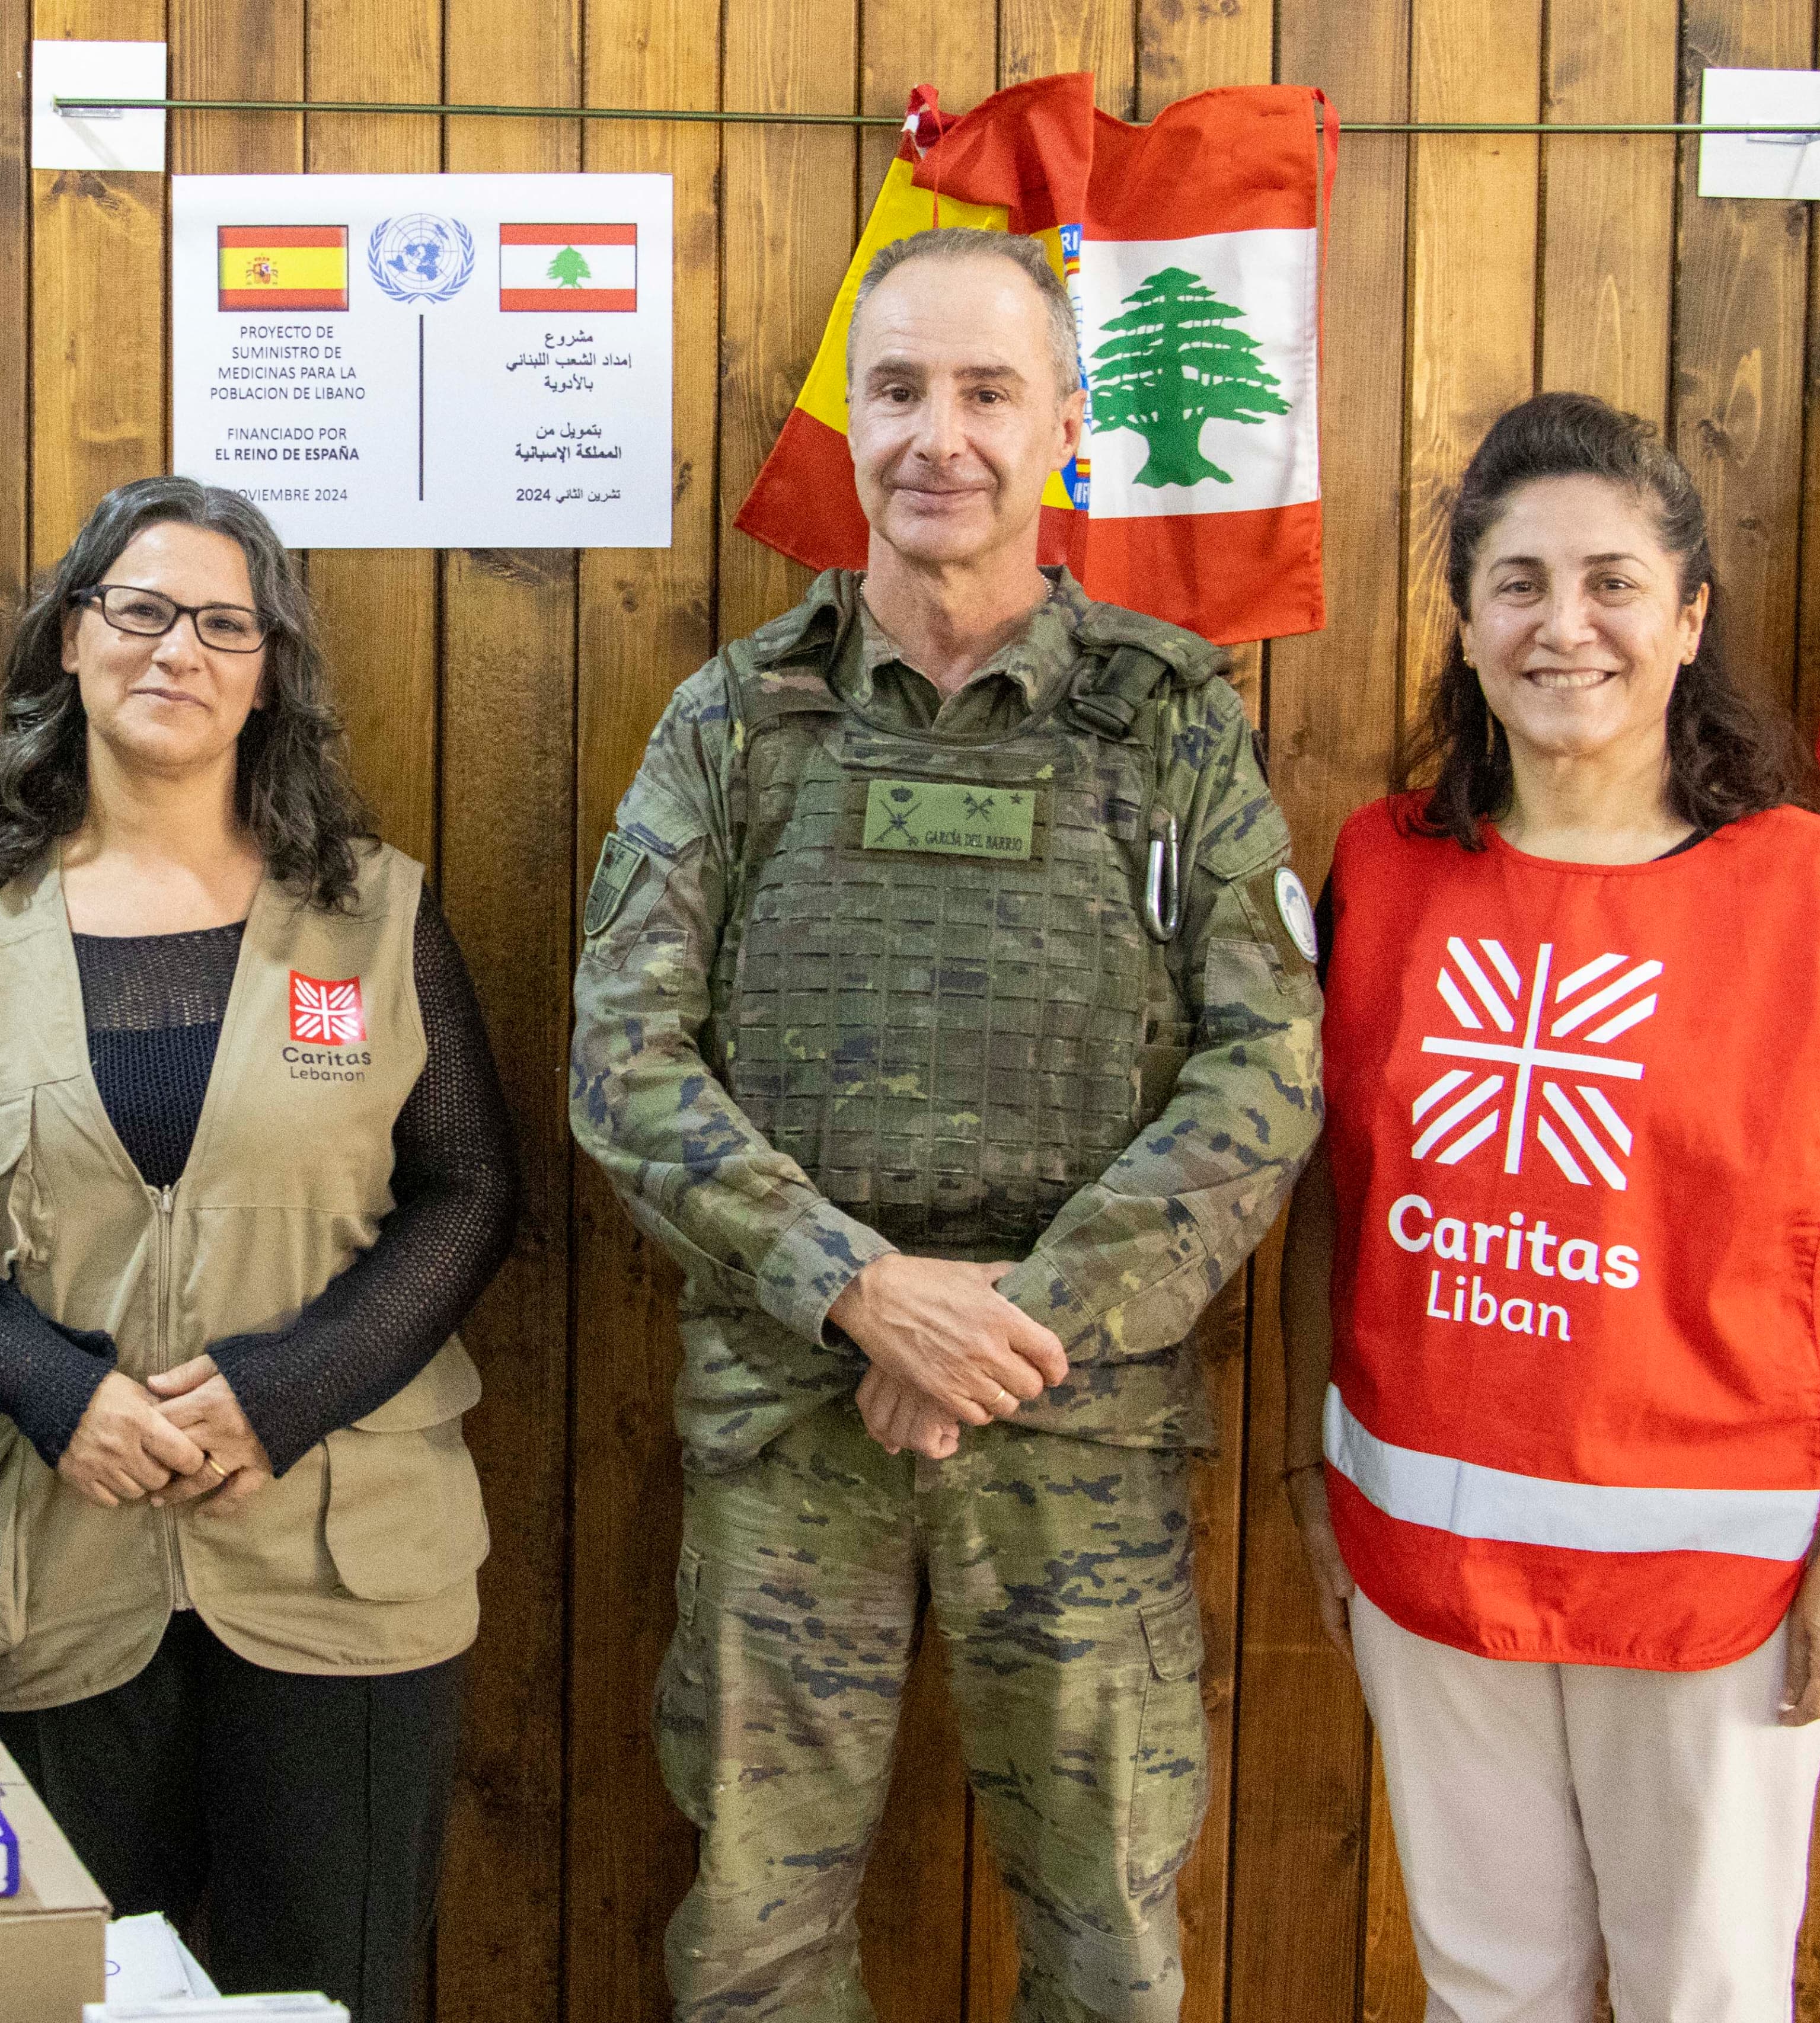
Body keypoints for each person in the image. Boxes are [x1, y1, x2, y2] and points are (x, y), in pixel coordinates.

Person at [570, 226, 1323, 2022]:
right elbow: (623, 1058)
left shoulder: (1169, 724)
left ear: (1067, 425)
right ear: (854, 425)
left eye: (989, 391)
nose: (939, 436)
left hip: (1084, 1436)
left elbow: (1267, 1064)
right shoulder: (740, 723)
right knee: (751, 1945)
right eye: (897, 390)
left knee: (1109, 1947)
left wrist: (1009, 1325)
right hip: (795, 1423)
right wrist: (859, 1291)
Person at [1282, 391, 1820, 2022]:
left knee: (1703, 1996)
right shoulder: (1380, 871)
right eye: (1517, 582)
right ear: (1465, 619)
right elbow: (1327, 1199)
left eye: (1612, 582)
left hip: (1720, 1595)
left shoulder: (1808, 899)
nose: (1562, 627)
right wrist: (1310, 1463)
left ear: (1691, 613)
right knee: (1485, 1991)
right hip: (1432, 1567)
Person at [0, 476, 516, 2021]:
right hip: (36, 1575)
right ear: (70, 641)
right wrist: (55, 1390)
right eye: (138, 610)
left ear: (269, 669)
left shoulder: (377, 916)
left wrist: (290, 1386)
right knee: (52, 2000)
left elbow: (472, 1188)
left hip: (340, 1576)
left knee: (331, 2000)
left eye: (225, 622)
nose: (178, 650)